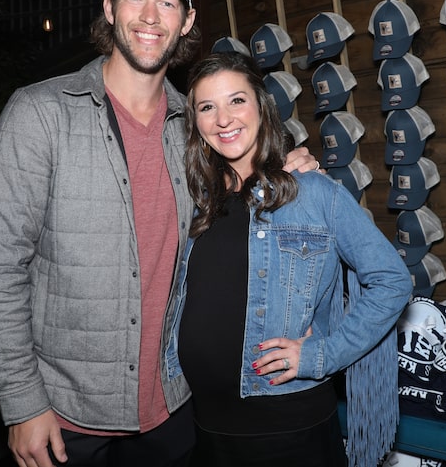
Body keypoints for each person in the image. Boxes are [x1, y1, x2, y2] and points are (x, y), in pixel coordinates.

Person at [0, 0, 316, 467]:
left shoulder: (198, 131)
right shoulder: (39, 114)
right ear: (110, 8)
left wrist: (289, 171)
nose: (150, 17)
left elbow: (245, 200)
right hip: (64, 417)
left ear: (187, 20)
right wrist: (21, 403)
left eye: (168, 3)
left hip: (174, 409)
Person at [169, 51, 412, 467]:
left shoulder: (314, 193)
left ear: (262, 107)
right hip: (202, 426)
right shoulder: (194, 200)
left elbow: (392, 280)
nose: (223, 119)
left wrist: (323, 354)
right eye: (207, 107)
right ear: (196, 122)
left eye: (236, 101)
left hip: (288, 430)